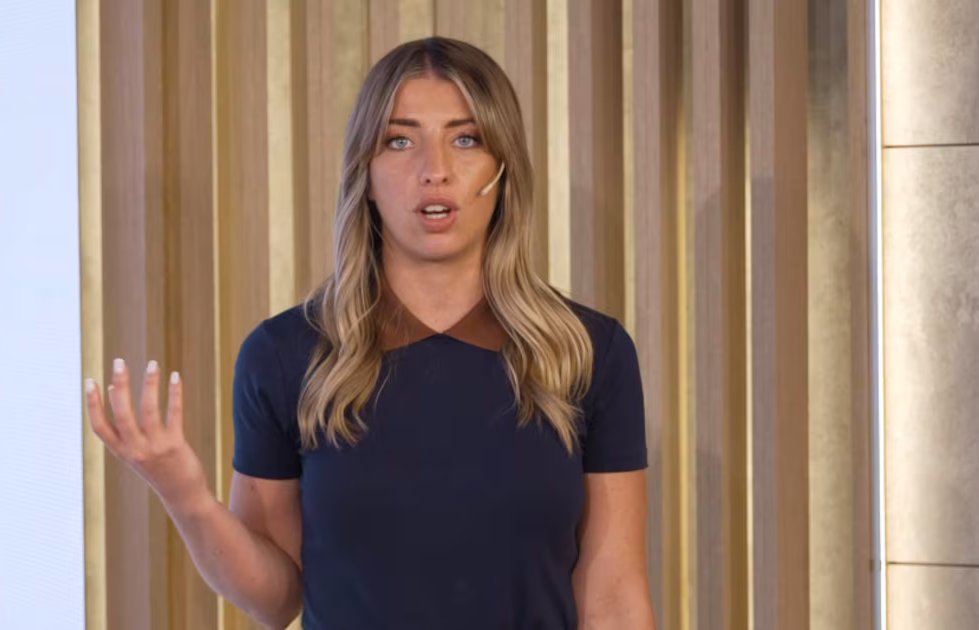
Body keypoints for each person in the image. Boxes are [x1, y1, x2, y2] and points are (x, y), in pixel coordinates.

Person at [84, 36, 654, 630]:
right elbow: (274, 600)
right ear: (367, 173)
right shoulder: (284, 356)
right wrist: (185, 495)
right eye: (400, 141)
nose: (435, 170)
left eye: (466, 139)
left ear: (502, 168)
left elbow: (614, 600)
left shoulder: (587, 353)